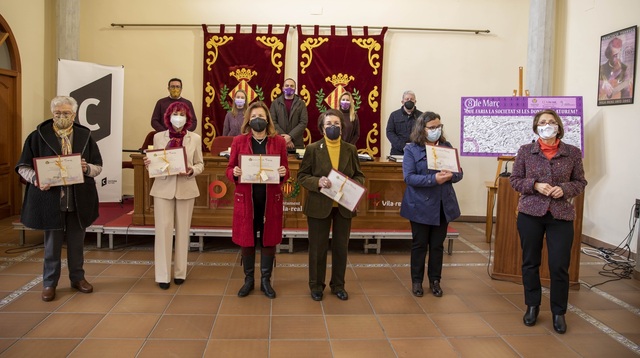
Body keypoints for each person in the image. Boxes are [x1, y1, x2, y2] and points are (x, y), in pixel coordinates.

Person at [16, 96, 102, 302]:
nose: (62, 116)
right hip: (49, 199)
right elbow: (22, 167)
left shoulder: (85, 135)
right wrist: (37, 179)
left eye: (66, 113)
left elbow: (98, 166)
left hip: (78, 198)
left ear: (74, 114)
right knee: (51, 245)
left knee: (76, 243)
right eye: (58, 113)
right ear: (52, 113)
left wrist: (86, 168)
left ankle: (77, 278)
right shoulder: (37, 136)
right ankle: (49, 283)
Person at [510, 109, 587, 334]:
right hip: (530, 213)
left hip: (561, 214)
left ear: (558, 126)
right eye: (542, 122)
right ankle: (532, 306)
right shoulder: (526, 151)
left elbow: (580, 182)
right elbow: (514, 180)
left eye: (551, 122)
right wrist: (534, 185)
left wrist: (563, 189)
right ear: (536, 127)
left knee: (559, 265)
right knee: (530, 262)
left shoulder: (572, 152)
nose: (547, 125)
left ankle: (558, 312)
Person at [297, 109, 365, 302]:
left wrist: (355, 185)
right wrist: (317, 182)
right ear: (322, 127)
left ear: (342, 127)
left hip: (343, 205)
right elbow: (302, 176)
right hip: (319, 205)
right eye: (329, 124)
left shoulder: (350, 149)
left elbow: (359, 174)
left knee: (341, 248)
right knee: (317, 248)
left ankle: (338, 285)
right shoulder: (312, 149)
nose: (332, 127)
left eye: (336, 123)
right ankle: (316, 285)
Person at [226, 101, 289, 299]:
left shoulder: (278, 141)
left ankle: (265, 281)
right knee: (247, 239)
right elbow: (229, 169)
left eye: (261, 116)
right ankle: (248, 280)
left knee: (269, 239)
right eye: (253, 117)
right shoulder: (239, 141)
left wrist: (282, 172)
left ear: (267, 119)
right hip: (247, 199)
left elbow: (285, 171)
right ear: (248, 120)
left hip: (270, 199)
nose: (257, 120)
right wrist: (234, 172)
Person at [400, 111, 462, 298]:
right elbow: (409, 177)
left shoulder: (446, 146)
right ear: (422, 129)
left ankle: (435, 281)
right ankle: (417, 281)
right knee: (419, 245)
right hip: (419, 205)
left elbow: (459, 173)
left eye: (438, 127)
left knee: (437, 246)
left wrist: (452, 175)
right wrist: (433, 179)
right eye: (432, 127)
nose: (436, 130)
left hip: (442, 205)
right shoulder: (412, 149)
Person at [144, 102, 204, 290]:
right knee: (163, 231)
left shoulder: (194, 138)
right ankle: (162, 275)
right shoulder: (158, 136)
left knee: (183, 232)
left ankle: (180, 272)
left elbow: (200, 164)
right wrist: (149, 163)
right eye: (175, 114)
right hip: (163, 188)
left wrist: (191, 170)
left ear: (188, 118)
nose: (178, 117)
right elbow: (154, 160)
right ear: (168, 116)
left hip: (186, 188)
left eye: (182, 114)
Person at [270, 78, 309, 150]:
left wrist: (290, 136)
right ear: (283, 88)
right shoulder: (275, 103)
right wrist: (284, 138)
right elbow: (272, 122)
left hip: (296, 143)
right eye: (287, 85)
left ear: (295, 89)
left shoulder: (301, 103)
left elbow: (303, 122)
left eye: (292, 86)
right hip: (279, 142)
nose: (289, 87)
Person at [386, 90, 423, 155]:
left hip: (416, 151)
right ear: (402, 102)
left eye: (411, 99)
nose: (409, 101)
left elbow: (424, 132)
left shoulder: (421, 116)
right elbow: (390, 132)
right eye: (407, 99)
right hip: (397, 152)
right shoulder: (394, 115)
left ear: (415, 101)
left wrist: (414, 146)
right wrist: (402, 146)